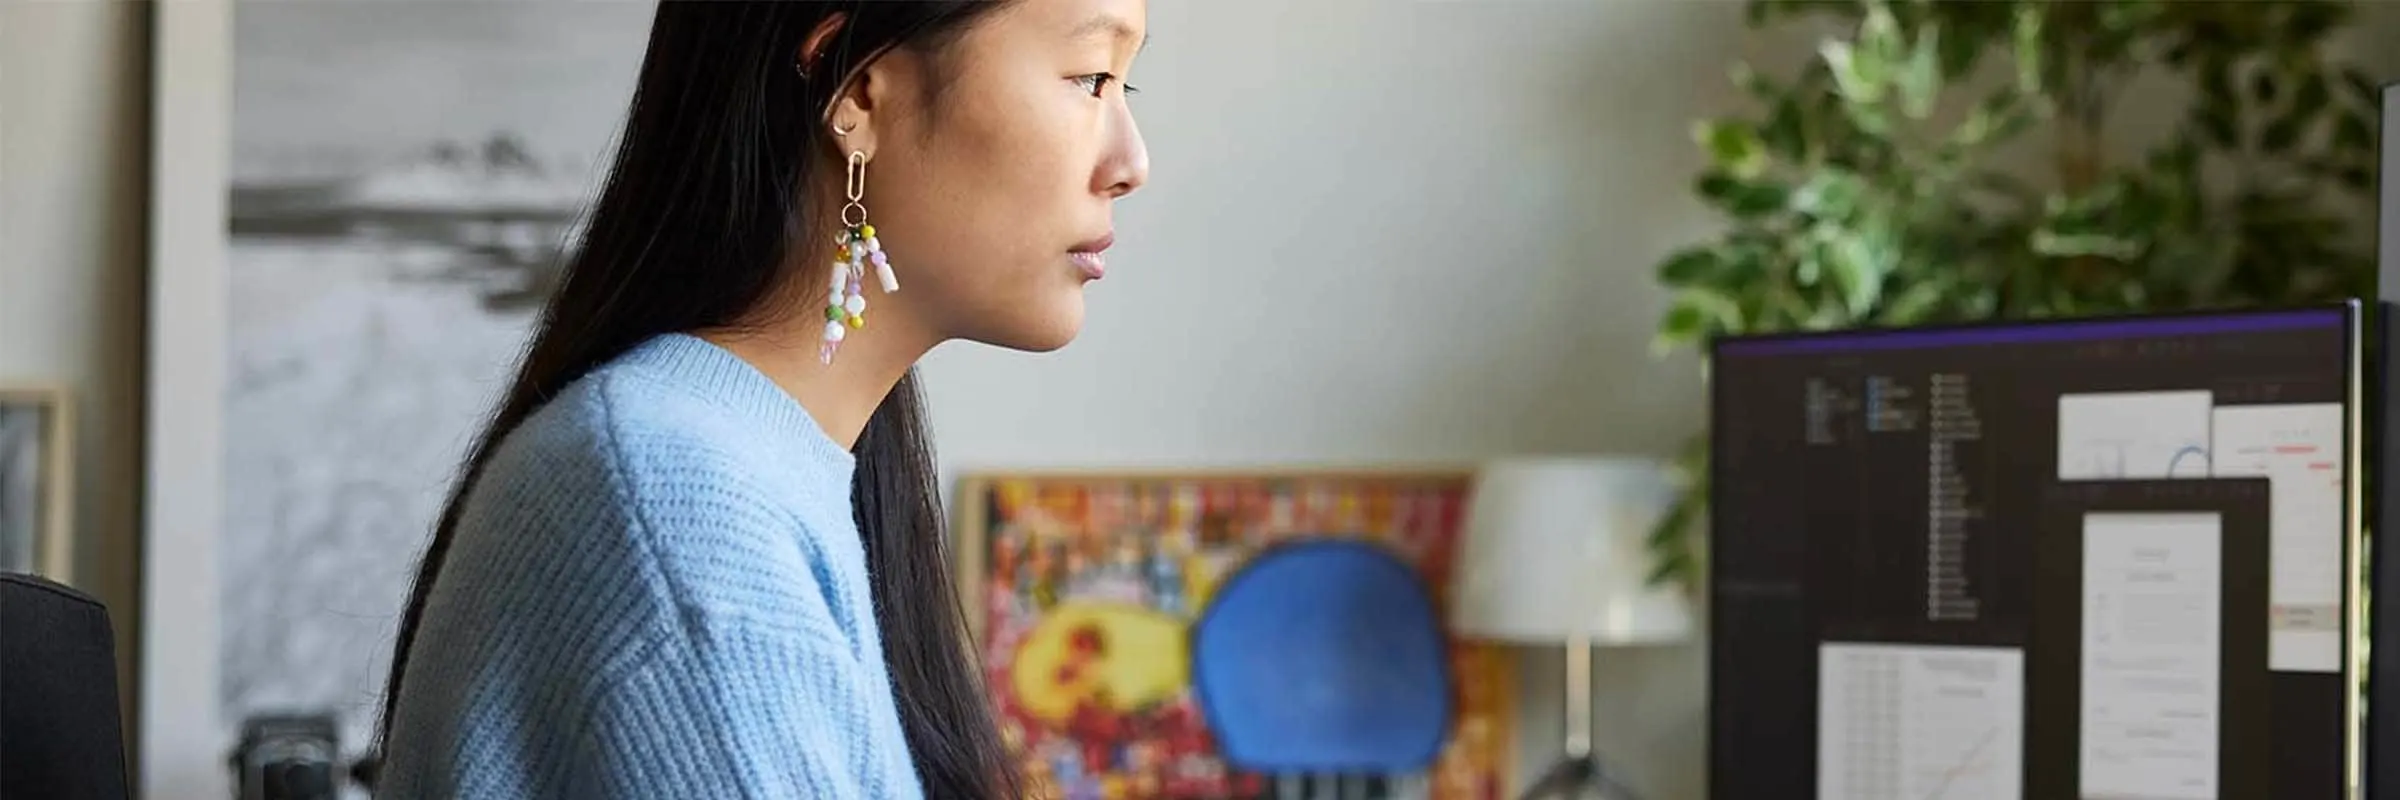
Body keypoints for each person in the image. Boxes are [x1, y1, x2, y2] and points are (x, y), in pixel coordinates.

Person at [373, 0, 1150, 797]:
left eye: (1127, 86)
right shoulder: (675, 501)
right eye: (1090, 78)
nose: (1131, 161)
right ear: (859, 96)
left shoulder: (771, 466)